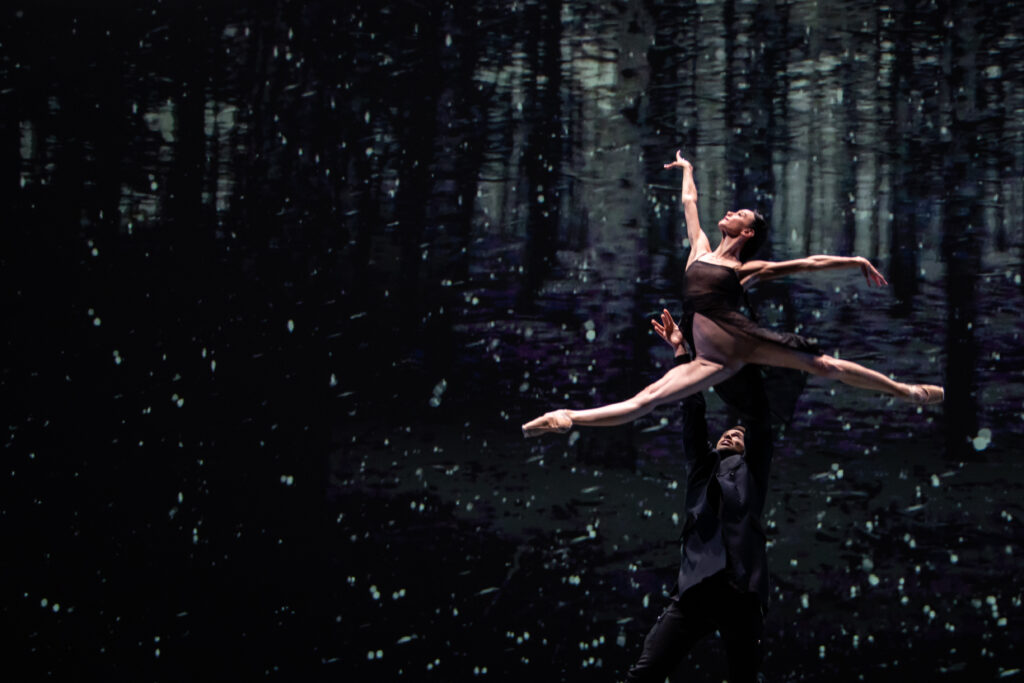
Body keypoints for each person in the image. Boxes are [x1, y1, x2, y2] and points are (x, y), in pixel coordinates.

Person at [521, 151, 942, 437]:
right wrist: (686, 169)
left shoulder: (744, 270)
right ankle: (568, 418)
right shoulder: (700, 250)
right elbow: (690, 203)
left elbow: (807, 263)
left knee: (826, 366)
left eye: (738, 214)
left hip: (742, 341)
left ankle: (907, 392)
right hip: (711, 359)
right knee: (645, 399)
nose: (729, 212)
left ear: (747, 232)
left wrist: (854, 260)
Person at [624, 310, 772, 682]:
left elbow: (759, 421)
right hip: (696, 588)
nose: (730, 435)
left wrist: (743, 350)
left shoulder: (752, 472)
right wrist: (682, 356)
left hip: (741, 591)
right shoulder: (703, 468)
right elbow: (693, 409)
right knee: (645, 672)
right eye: (727, 433)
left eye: (739, 436)